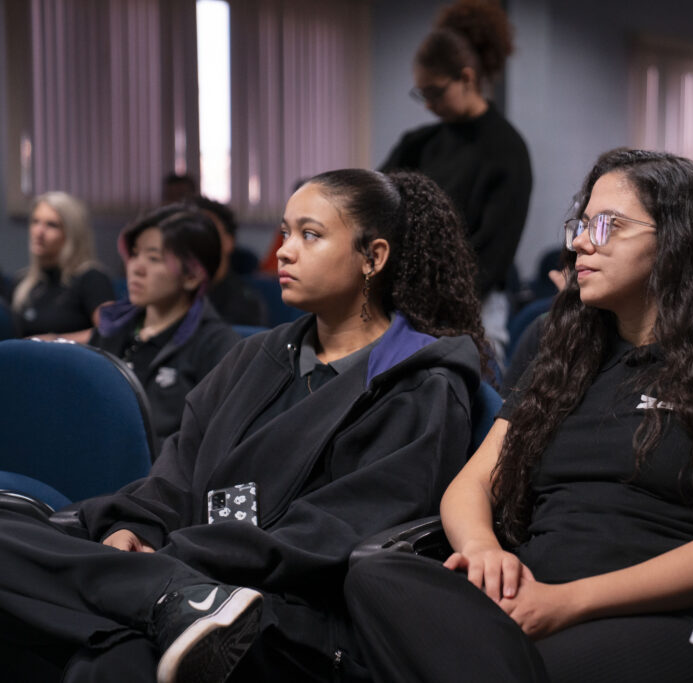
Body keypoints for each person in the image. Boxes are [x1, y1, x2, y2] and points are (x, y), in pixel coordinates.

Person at [344, 149, 693, 683]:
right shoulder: (564, 359)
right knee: (375, 573)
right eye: (581, 224)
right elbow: (472, 485)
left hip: (657, 616)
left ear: (676, 241)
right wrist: (484, 551)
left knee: (492, 664)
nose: (580, 242)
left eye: (608, 225)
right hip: (528, 596)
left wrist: (567, 602)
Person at [0, 168, 489, 683]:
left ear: (374, 257)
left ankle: (157, 594)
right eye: (285, 231)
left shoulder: (419, 384)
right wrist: (134, 527)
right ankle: (160, 596)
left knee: (111, 661)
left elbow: (334, 533)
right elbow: (177, 470)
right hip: (181, 579)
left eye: (311, 235)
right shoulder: (255, 353)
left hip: (291, 611)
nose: (283, 250)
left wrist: (172, 558)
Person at [380, 0, 532, 359]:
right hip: (405, 298)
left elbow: (493, 256)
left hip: (472, 306)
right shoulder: (417, 144)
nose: (428, 105)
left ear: (466, 78)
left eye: (435, 92)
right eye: (422, 94)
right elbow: (372, 204)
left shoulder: (507, 151)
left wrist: (431, 306)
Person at [89, 206, 240, 449]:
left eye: (153, 258)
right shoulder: (112, 329)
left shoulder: (218, 347)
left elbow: (207, 448)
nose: (136, 268)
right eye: (135, 254)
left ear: (192, 276)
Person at [11, 191, 115, 341]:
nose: (39, 232)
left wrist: (55, 341)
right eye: (35, 221)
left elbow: (111, 332)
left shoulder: (91, 278)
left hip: (70, 362)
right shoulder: (23, 282)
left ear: (71, 233)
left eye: (51, 225)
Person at [191, 196, 268, 327]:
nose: (196, 242)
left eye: (206, 232)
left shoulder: (245, 306)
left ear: (229, 241)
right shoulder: (170, 296)